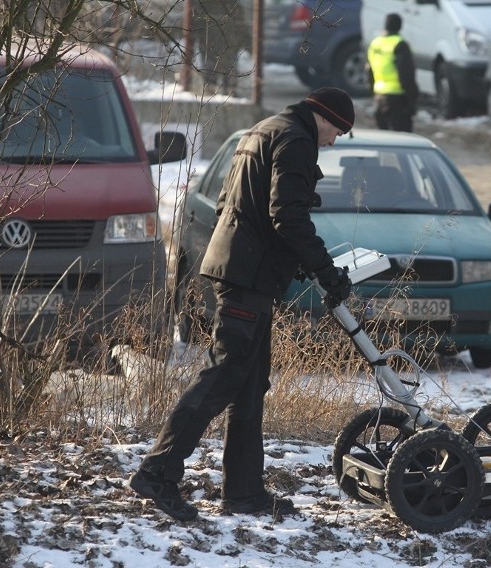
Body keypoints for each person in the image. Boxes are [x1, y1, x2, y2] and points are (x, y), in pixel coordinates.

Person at [129, 87, 356, 522]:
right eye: (337, 131)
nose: (332, 142)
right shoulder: (297, 140)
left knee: (250, 384)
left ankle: (244, 492)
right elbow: (287, 215)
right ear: (323, 117)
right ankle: (157, 472)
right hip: (246, 276)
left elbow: (230, 204)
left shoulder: (262, 130)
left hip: (240, 269)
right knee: (223, 375)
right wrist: (327, 272)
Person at [365, 13, 419, 132]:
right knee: (402, 141)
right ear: (400, 26)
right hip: (397, 99)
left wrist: (373, 93)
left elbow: (369, 71)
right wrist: (412, 97)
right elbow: (406, 74)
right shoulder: (400, 44)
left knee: (384, 141)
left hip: (379, 96)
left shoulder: (375, 43)